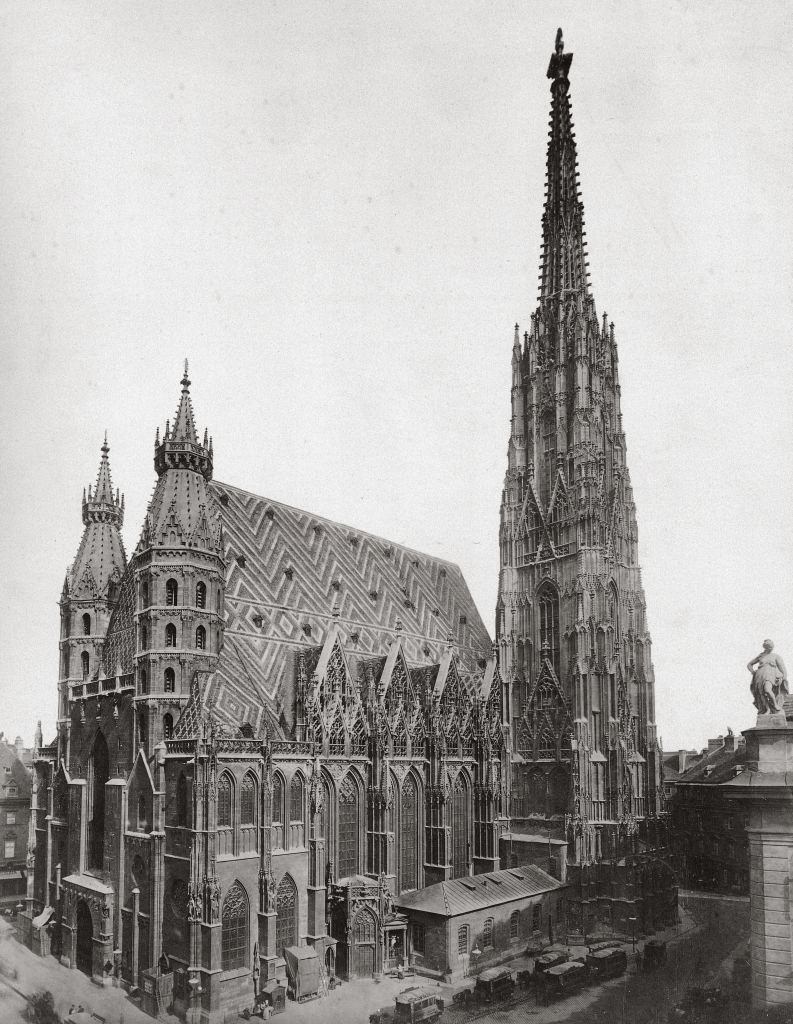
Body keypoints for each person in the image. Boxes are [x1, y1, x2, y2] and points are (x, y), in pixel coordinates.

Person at [748, 640, 788, 714]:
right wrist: (753, 672)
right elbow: (749, 664)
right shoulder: (761, 656)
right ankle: (767, 709)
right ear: (766, 648)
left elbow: (782, 669)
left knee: (767, 690)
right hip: (760, 675)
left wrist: (784, 678)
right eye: (769, 647)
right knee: (761, 693)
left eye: (771, 647)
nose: (771, 649)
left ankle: (775, 705)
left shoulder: (776, 656)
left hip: (771, 674)